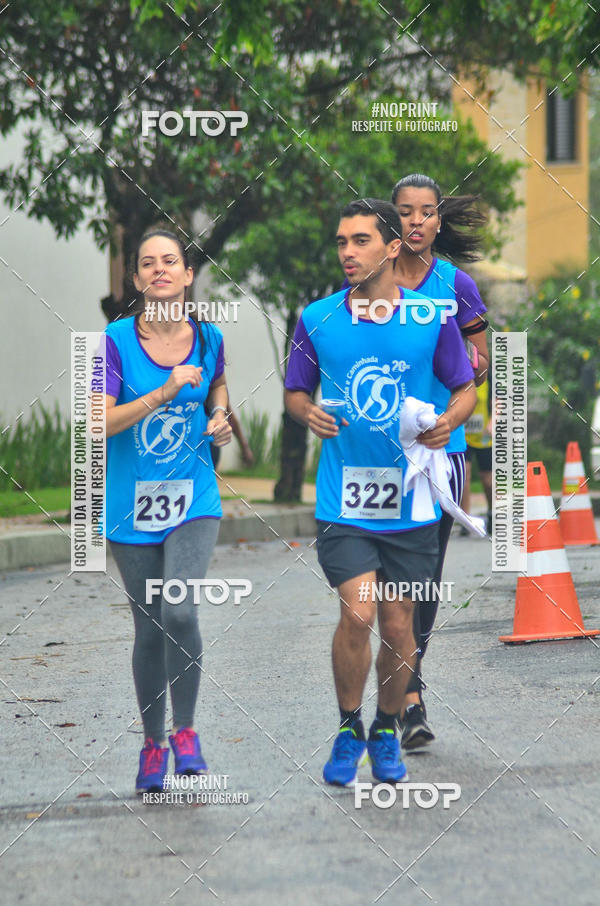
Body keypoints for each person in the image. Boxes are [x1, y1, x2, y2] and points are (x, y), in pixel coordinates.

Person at [284, 198, 476, 785]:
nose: (347, 252)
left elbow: (464, 385)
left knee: (399, 624)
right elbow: (295, 391)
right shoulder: (316, 318)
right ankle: (349, 727)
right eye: (342, 241)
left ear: (393, 247)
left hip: (413, 499)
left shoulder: (432, 316)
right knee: (358, 611)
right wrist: (306, 412)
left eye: (360, 240)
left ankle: (388, 727)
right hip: (345, 497)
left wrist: (449, 419)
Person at [103, 228, 232, 792]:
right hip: (130, 506)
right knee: (150, 624)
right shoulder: (110, 342)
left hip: (193, 500)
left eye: (170, 262)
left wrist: (220, 417)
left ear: (187, 276)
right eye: (148, 264)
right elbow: (95, 423)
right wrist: (160, 393)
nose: (160, 270)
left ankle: (186, 733)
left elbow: (218, 388)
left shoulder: (209, 338)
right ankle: (152, 744)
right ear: (136, 280)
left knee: (179, 610)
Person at [391, 173, 490, 751]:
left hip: (440, 453)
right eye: (406, 212)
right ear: (393, 221)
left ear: (438, 220)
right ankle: (405, 691)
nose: (417, 221)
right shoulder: (370, 279)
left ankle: (410, 688)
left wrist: (470, 378)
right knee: (387, 575)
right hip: (382, 455)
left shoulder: (458, 285)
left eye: (427, 212)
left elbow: (481, 351)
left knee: (423, 577)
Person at [462, 379, 493, 535]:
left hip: (485, 436)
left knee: (487, 479)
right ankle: (465, 519)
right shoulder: (458, 373)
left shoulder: (488, 376)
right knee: (464, 475)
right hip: (463, 435)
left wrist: (494, 421)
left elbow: (499, 399)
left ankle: (492, 512)